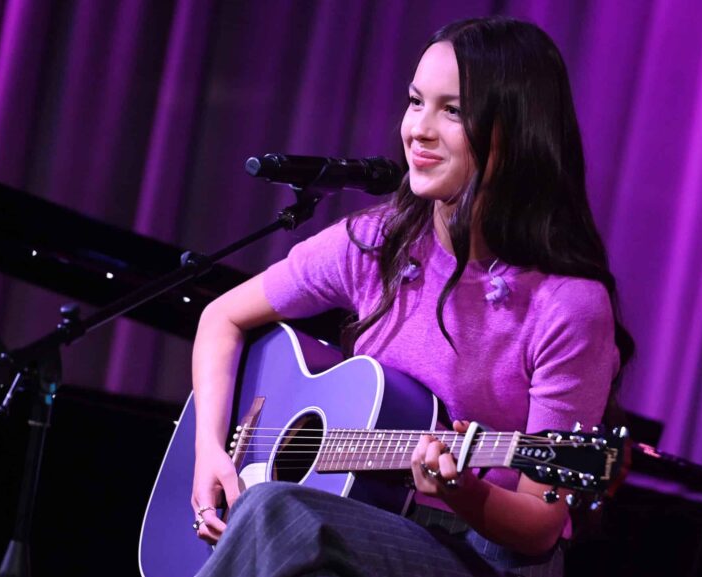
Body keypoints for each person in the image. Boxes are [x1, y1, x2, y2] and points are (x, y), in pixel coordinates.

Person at [189, 16, 634, 577]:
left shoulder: (567, 305)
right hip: (355, 522)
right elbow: (220, 317)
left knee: (280, 512)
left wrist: (462, 491)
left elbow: (540, 525)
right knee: (281, 515)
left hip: (487, 558)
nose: (419, 129)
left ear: (517, 133)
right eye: (415, 101)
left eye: (452, 111)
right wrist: (210, 452)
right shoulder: (379, 242)